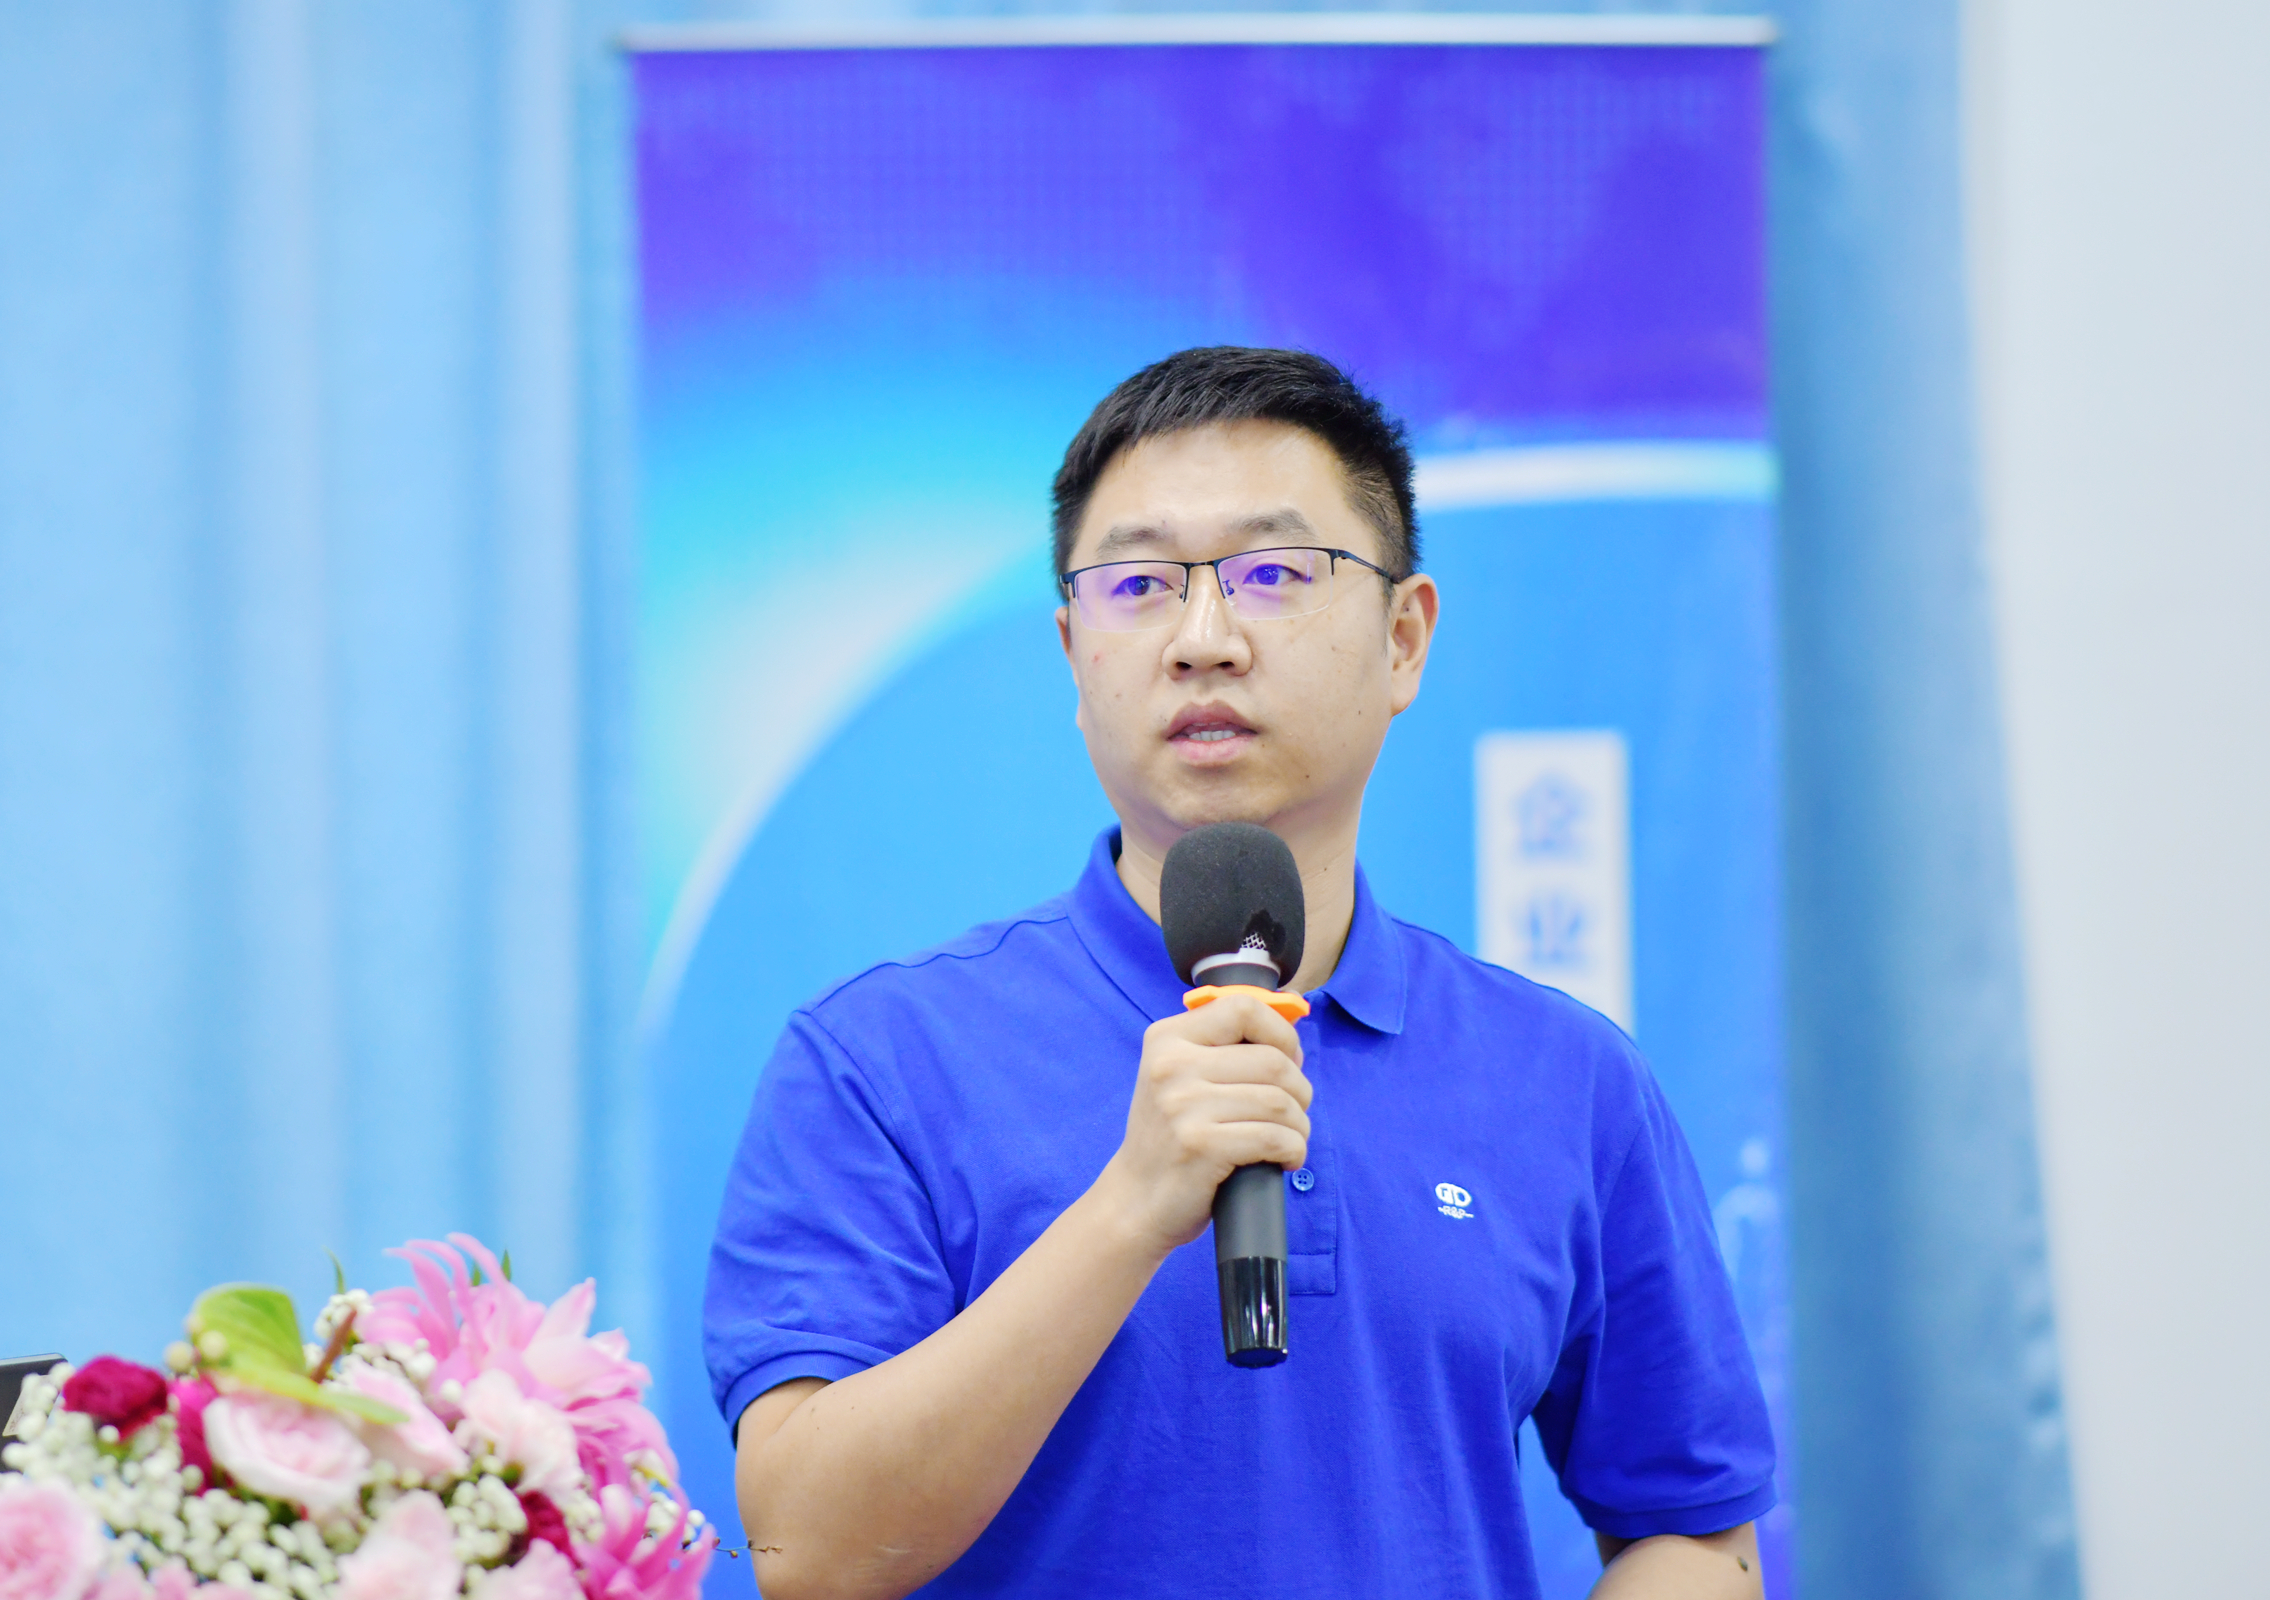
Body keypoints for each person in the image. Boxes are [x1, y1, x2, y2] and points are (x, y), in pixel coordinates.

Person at [703, 347, 1775, 1600]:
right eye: (1139, 585)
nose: (1203, 640)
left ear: (1404, 639)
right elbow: (809, 1553)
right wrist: (1130, 1207)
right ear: (1073, 652)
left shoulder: (1566, 1076)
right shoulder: (881, 1060)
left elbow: (1694, 1530)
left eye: (1273, 574)